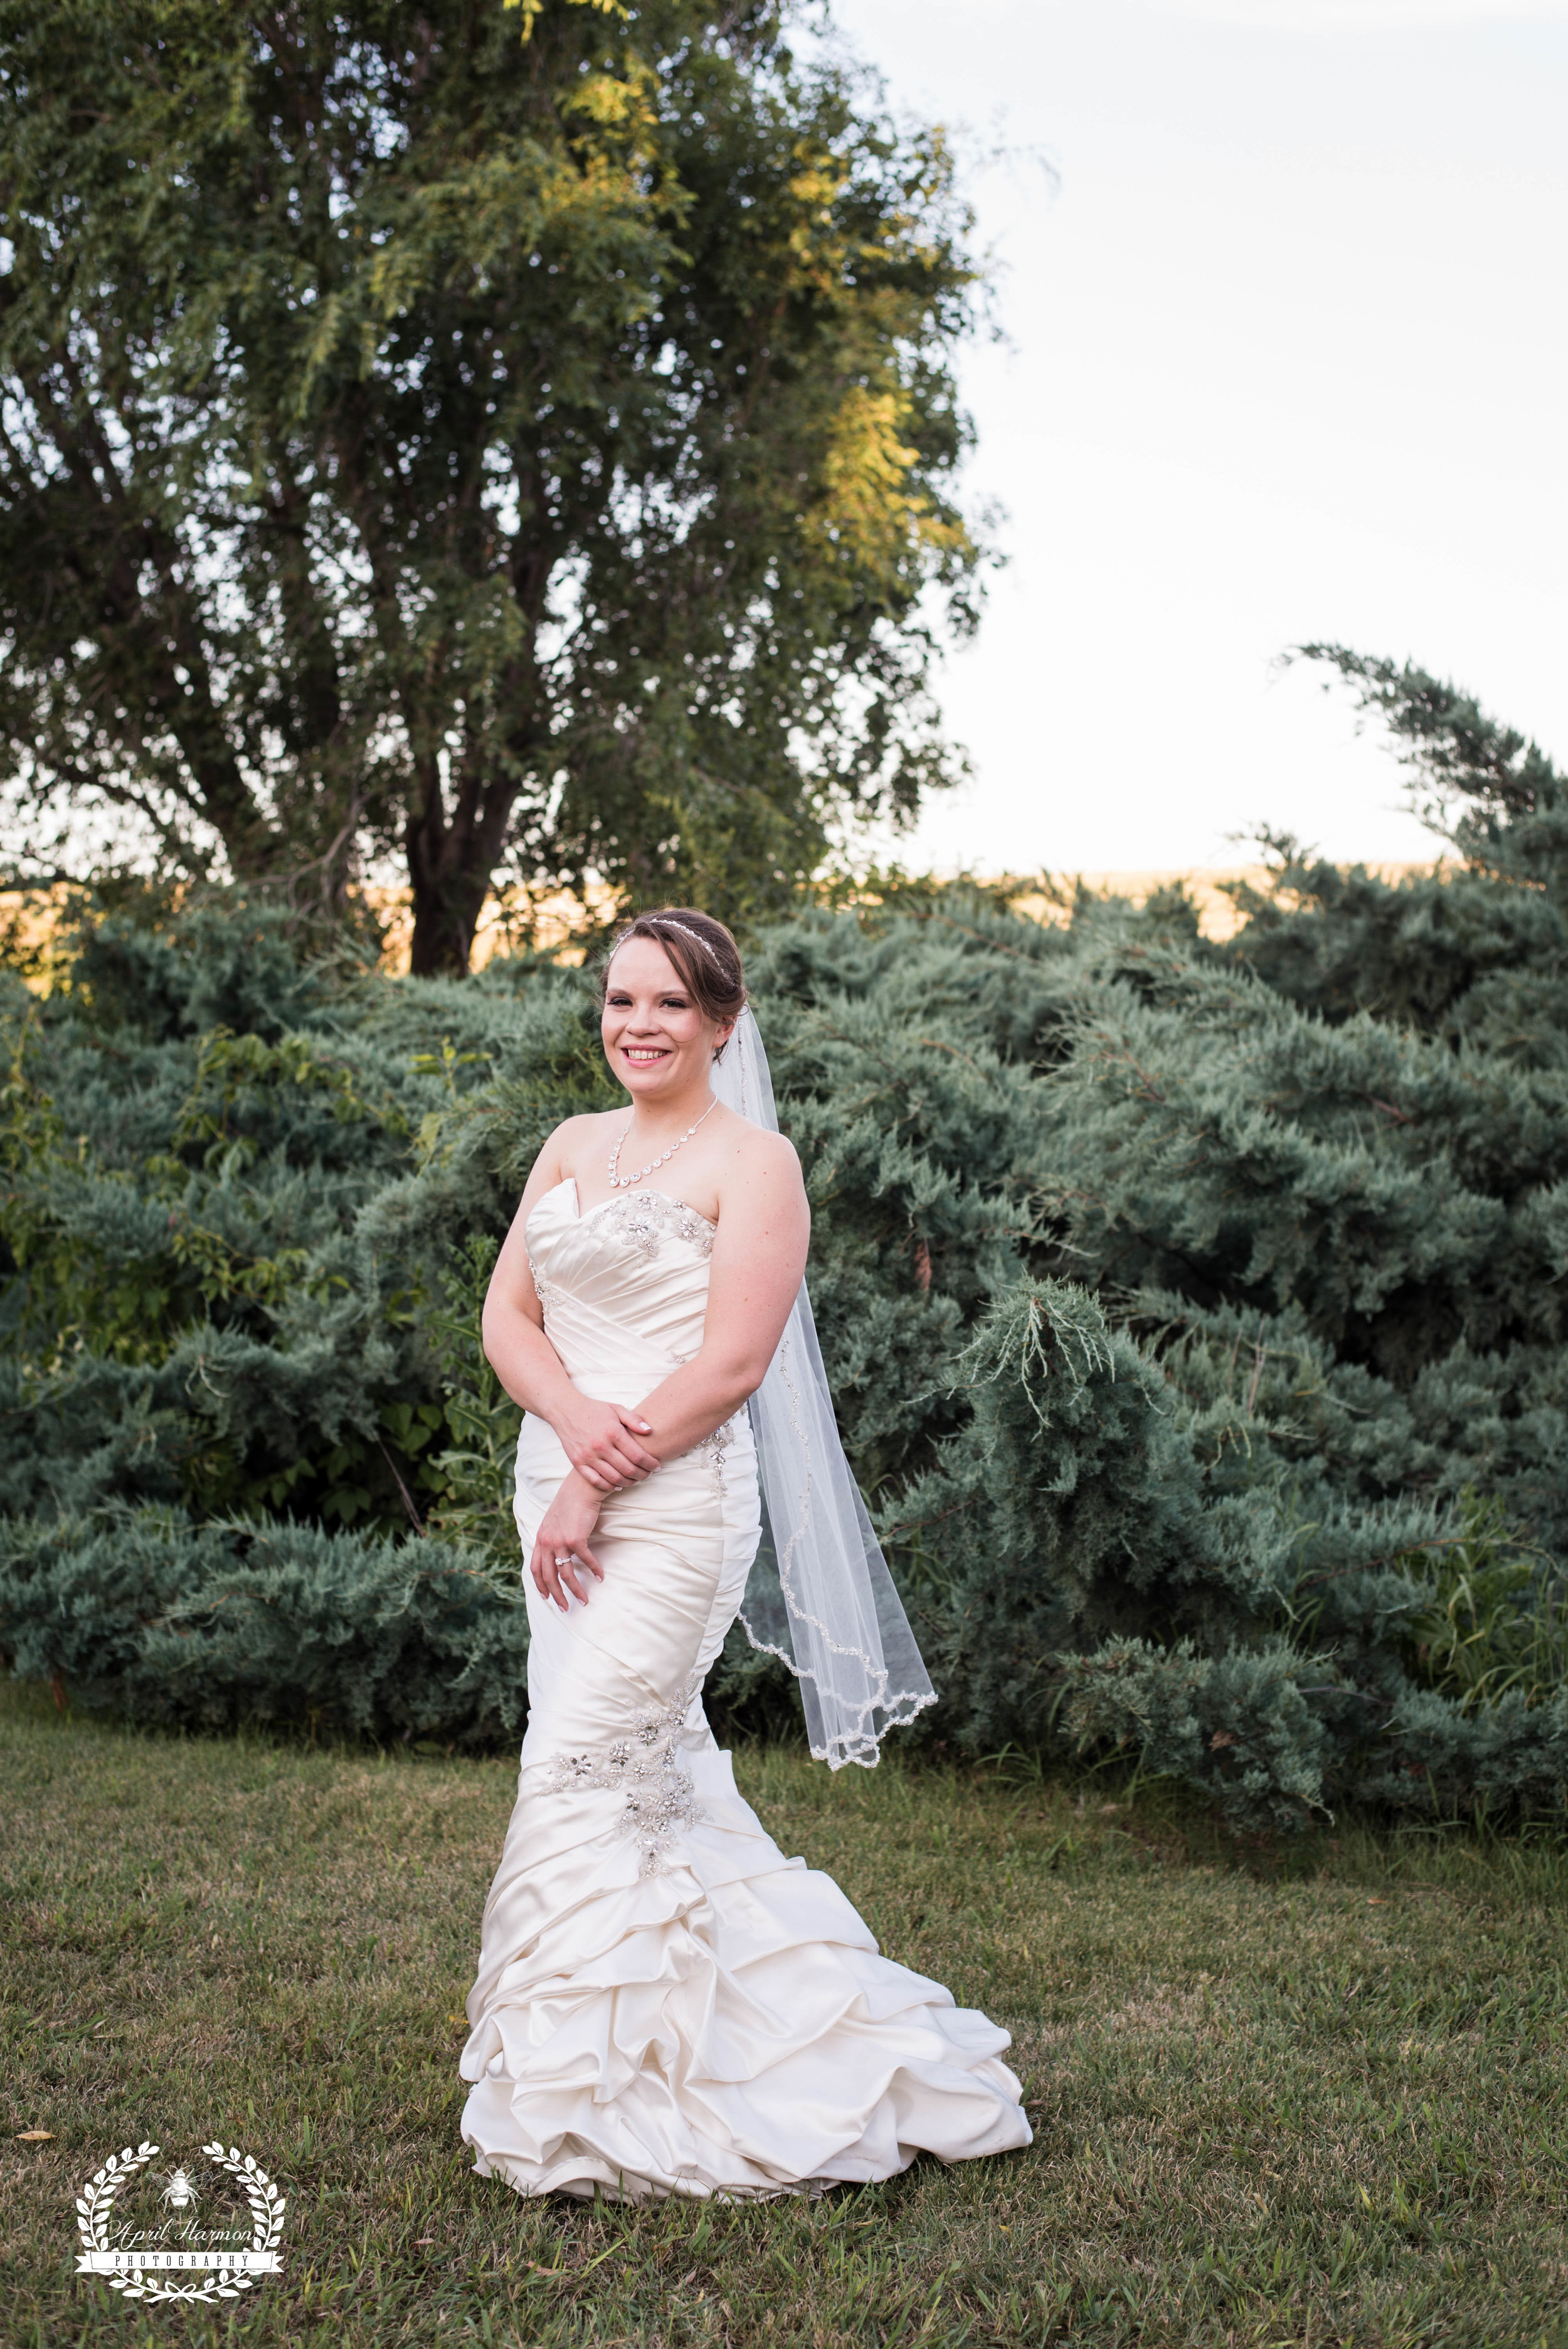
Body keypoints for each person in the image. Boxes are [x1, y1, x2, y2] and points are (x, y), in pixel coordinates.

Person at [458, 906, 1031, 2201]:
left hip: (668, 1505)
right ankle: (620, 2054)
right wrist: (568, 1431)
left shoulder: (753, 1162)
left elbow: (729, 1365)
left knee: (583, 1761)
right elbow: (507, 1311)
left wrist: (601, 1477)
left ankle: (614, 2089)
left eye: (667, 1004)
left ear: (721, 1020)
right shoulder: (569, 1144)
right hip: (556, 1481)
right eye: (618, 1002)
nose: (637, 1027)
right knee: (632, 1776)